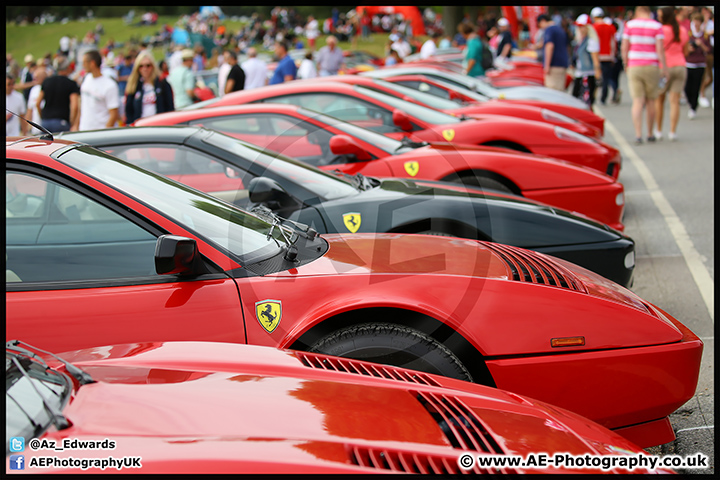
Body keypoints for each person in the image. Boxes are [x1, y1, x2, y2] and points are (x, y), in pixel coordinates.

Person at [621, 6, 668, 144]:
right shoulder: (656, 26)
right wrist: (664, 68)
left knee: (637, 101)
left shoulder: (629, 25)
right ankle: (650, 133)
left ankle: (638, 134)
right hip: (651, 65)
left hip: (634, 64)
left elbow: (625, 47)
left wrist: (626, 63)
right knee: (651, 100)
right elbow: (660, 50)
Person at [654, 6, 689, 141]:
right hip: (680, 66)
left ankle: (658, 130)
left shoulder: (660, 31)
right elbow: (685, 51)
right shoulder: (682, 30)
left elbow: (657, 50)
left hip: (664, 68)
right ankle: (672, 131)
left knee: (659, 100)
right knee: (675, 101)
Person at [123, 51, 174, 125]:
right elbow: (129, 111)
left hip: (160, 125)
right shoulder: (133, 85)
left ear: (153, 66)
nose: (145, 69)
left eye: (148, 65)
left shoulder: (162, 83)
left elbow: (170, 108)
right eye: (141, 66)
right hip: (140, 127)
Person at [34, 56, 80, 134]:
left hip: (46, 121)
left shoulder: (47, 81)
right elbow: (74, 106)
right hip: (61, 120)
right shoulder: (71, 84)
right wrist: (72, 122)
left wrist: (43, 117)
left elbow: (38, 103)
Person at [77, 50, 120, 131]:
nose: (83, 65)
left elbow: (114, 114)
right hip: (84, 129)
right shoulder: (87, 78)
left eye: (85, 62)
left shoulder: (109, 85)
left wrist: (104, 132)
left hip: (99, 132)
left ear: (92, 63)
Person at [571, 14, 602, 110]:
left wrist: (598, 73)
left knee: (586, 100)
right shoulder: (581, 40)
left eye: (582, 27)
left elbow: (595, 58)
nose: (580, 29)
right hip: (580, 73)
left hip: (588, 73)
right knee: (576, 97)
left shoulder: (591, 41)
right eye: (579, 27)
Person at [685, 12, 712, 119]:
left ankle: (693, 107)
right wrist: (689, 48)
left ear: (701, 23)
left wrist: (701, 45)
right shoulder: (689, 34)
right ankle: (689, 101)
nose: (696, 23)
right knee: (687, 87)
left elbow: (709, 50)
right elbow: (684, 48)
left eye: (698, 21)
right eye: (694, 21)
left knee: (696, 86)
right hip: (689, 63)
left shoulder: (705, 35)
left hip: (700, 63)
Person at [591, 7, 619, 105]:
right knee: (606, 78)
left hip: (596, 56)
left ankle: (593, 97)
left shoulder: (593, 27)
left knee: (596, 77)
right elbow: (613, 43)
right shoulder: (610, 27)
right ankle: (604, 97)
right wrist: (613, 55)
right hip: (607, 56)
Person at [538, 14, 570, 91]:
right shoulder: (560, 29)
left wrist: (547, 65)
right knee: (560, 90)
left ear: (543, 21)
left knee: (552, 92)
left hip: (554, 65)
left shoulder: (549, 30)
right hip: (562, 64)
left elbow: (549, 46)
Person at [26, 66, 48, 134]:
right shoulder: (34, 90)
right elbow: (30, 109)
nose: (34, 80)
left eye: (36, 78)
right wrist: (28, 125)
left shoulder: (48, 88)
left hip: (46, 126)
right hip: (35, 128)